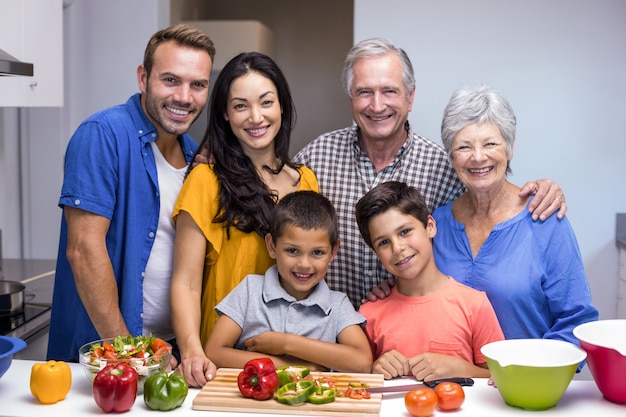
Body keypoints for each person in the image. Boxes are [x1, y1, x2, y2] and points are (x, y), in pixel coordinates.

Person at [292, 37, 567, 309]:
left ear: (410, 96)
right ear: (350, 97)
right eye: (364, 92)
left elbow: (491, 199)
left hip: (413, 338)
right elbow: (283, 231)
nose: (377, 105)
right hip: (328, 340)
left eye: (389, 91)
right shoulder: (315, 158)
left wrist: (542, 190)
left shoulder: (446, 167)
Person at [47, 24, 216, 363]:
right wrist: (131, 354)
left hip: (171, 354)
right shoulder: (102, 135)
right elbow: (83, 250)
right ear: (143, 78)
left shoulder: (196, 155)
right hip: (107, 357)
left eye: (197, 85)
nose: (184, 97)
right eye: (170, 80)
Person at [170, 52, 319, 387]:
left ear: (282, 106)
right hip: (224, 362)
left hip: (291, 362)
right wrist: (192, 350)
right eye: (240, 106)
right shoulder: (205, 180)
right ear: (224, 113)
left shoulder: (306, 182)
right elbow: (186, 281)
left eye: (266, 102)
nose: (256, 117)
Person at [432, 84, 598, 350]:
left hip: (526, 386)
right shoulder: (435, 225)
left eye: (490, 143)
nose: (477, 157)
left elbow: (576, 320)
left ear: (509, 148)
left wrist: (531, 370)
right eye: (464, 146)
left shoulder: (544, 218)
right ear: (451, 156)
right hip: (450, 387)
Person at [204, 191, 372, 373]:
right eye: (292, 251)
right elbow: (214, 352)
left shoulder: (337, 304)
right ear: (272, 246)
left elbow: (362, 362)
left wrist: (286, 343)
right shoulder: (250, 290)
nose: (304, 264)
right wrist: (296, 367)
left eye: (317, 253)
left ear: (333, 252)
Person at [356, 181, 504, 381]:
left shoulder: (474, 305)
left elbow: (499, 378)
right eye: (383, 242)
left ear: (430, 227)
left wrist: (461, 368)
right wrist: (375, 370)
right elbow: (359, 381)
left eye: (405, 232)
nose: (398, 248)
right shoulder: (368, 314)